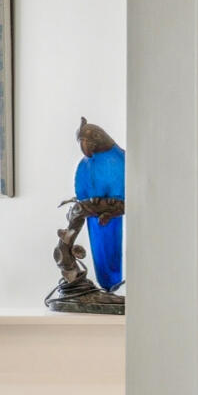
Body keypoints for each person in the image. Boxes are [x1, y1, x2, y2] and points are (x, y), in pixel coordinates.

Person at [72, 119, 124, 292]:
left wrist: (117, 199)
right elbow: (82, 188)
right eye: (82, 141)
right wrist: (89, 199)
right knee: (101, 247)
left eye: (91, 139)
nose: (86, 145)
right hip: (93, 210)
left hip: (114, 210)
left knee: (111, 247)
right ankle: (107, 284)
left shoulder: (121, 157)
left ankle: (112, 283)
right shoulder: (86, 164)